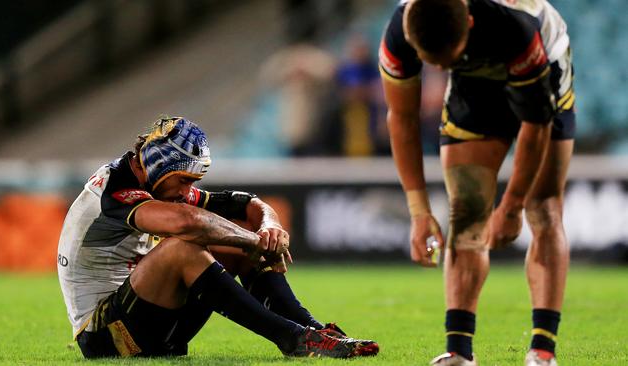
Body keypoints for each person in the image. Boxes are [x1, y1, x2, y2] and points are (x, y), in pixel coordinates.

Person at [57, 116, 379, 359]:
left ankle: (311, 330)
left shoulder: (161, 184)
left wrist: (269, 228)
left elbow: (246, 204)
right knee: (184, 247)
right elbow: (186, 223)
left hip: (148, 323)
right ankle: (292, 338)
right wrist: (253, 241)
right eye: (183, 180)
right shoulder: (113, 188)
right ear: (157, 164)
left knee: (232, 231)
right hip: (104, 337)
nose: (187, 191)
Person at [378, 1, 574, 365]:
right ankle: (459, 352)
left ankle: (542, 351)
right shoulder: (400, 31)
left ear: (468, 23)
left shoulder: (517, 28)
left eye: (445, 59)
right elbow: (402, 118)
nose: (437, 68)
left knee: (542, 207)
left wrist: (512, 206)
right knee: (466, 211)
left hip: (543, 65)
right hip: (474, 82)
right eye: (429, 59)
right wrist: (419, 213)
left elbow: (535, 126)